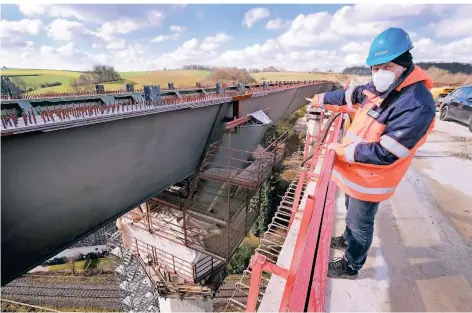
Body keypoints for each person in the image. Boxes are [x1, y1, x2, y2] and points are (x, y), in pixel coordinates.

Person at [307, 27, 436, 279]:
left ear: (402, 64)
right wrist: (319, 99)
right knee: (349, 208)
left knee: (360, 223)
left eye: (384, 67)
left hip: (372, 179)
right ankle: (346, 239)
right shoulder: (384, 86)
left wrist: (343, 151)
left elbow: (386, 153)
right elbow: (350, 95)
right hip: (355, 172)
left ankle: (351, 266)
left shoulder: (417, 104)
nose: (377, 74)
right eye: (374, 68)